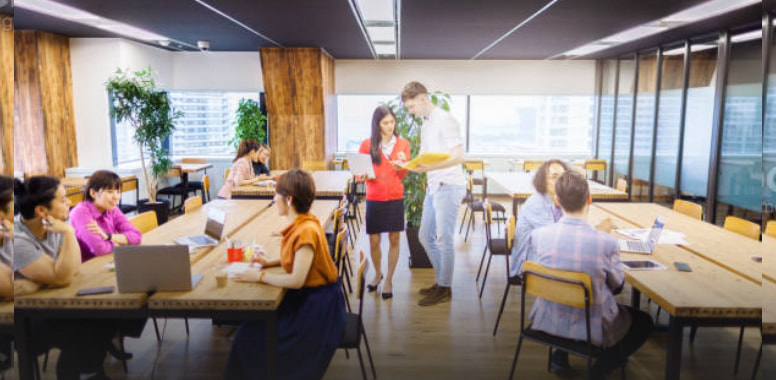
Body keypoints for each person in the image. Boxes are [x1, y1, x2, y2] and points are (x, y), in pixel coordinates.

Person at [525, 171, 653, 378]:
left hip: (548, 318)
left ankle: (559, 356)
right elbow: (617, 286)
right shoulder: (606, 242)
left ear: (557, 202)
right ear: (589, 199)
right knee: (644, 321)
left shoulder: (538, 236)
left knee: (572, 297)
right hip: (591, 325)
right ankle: (599, 370)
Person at [226, 169, 345, 380]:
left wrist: (259, 276)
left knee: (247, 336)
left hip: (318, 310)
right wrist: (269, 262)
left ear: (288, 199)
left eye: (276, 195)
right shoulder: (306, 221)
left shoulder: (304, 230)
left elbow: (296, 280)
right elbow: (303, 260)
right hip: (315, 300)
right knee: (249, 330)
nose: (274, 199)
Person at [14, 176, 117, 380]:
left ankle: (86, 369)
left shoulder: (54, 225)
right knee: (83, 328)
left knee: (108, 316)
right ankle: (72, 372)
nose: (69, 202)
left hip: (52, 303)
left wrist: (39, 281)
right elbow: (62, 277)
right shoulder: (18, 240)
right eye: (62, 200)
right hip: (23, 319)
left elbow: (73, 269)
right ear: (41, 211)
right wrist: (70, 233)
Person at [401, 81, 466, 306]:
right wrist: (409, 164)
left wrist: (430, 168)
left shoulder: (445, 120)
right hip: (433, 185)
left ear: (423, 99)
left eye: (411, 107)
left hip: (449, 185)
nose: (411, 112)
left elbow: (459, 156)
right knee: (424, 236)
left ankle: (444, 287)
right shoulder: (425, 124)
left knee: (444, 239)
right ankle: (441, 281)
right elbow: (425, 156)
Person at [359, 106, 410, 300]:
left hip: (395, 196)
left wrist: (402, 166)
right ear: (377, 125)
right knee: (374, 240)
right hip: (374, 197)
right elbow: (359, 172)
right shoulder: (367, 144)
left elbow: (403, 174)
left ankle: (388, 279)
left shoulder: (403, 144)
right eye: (385, 122)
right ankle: (378, 273)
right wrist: (361, 176)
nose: (390, 126)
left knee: (395, 239)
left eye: (392, 121)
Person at [69, 170, 142, 262]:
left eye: (118, 192)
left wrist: (108, 237)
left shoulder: (112, 208)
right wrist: (120, 243)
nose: (116, 197)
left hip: (108, 261)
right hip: (87, 269)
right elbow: (100, 249)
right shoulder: (80, 213)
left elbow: (137, 236)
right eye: (110, 192)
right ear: (93, 193)